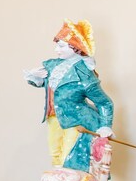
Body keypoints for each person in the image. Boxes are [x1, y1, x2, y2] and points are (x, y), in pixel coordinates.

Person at [23, 19, 113, 173]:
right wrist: (36, 78)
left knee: (69, 160)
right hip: (53, 118)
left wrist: (106, 125)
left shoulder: (84, 74)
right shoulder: (53, 65)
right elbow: (52, 87)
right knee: (55, 156)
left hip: (75, 121)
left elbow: (105, 103)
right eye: (57, 44)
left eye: (61, 45)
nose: (56, 49)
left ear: (76, 47)